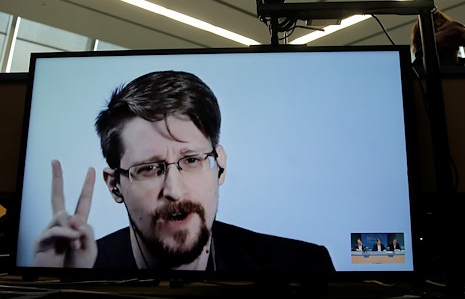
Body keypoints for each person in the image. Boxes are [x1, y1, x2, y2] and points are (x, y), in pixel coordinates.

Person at [32, 71, 335, 272]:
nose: (174, 190)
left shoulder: (302, 268)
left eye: (191, 160)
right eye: (149, 168)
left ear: (220, 165)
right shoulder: (80, 270)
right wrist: (59, 288)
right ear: (115, 186)